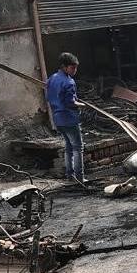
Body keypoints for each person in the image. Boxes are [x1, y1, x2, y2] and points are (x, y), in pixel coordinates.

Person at [47, 52, 84, 183]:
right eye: (72, 68)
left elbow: (50, 97)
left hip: (57, 119)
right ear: (64, 67)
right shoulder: (69, 82)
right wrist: (82, 105)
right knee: (78, 148)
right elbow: (70, 102)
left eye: (75, 67)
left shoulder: (52, 79)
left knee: (69, 148)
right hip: (69, 118)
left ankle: (70, 176)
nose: (75, 70)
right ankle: (80, 178)